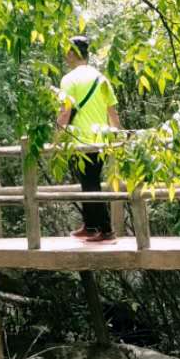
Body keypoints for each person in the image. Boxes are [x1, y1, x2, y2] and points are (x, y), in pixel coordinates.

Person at [55, 36, 120, 243]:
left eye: (67, 51)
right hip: (101, 140)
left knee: (90, 184)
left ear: (73, 53)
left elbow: (65, 113)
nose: (66, 56)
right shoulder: (102, 78)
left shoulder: (69, 79)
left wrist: (56, 139)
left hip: (80, 141)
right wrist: (118, 136)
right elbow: (113, 113)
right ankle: (91, 226)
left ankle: (107, 230)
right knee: (88, 182)